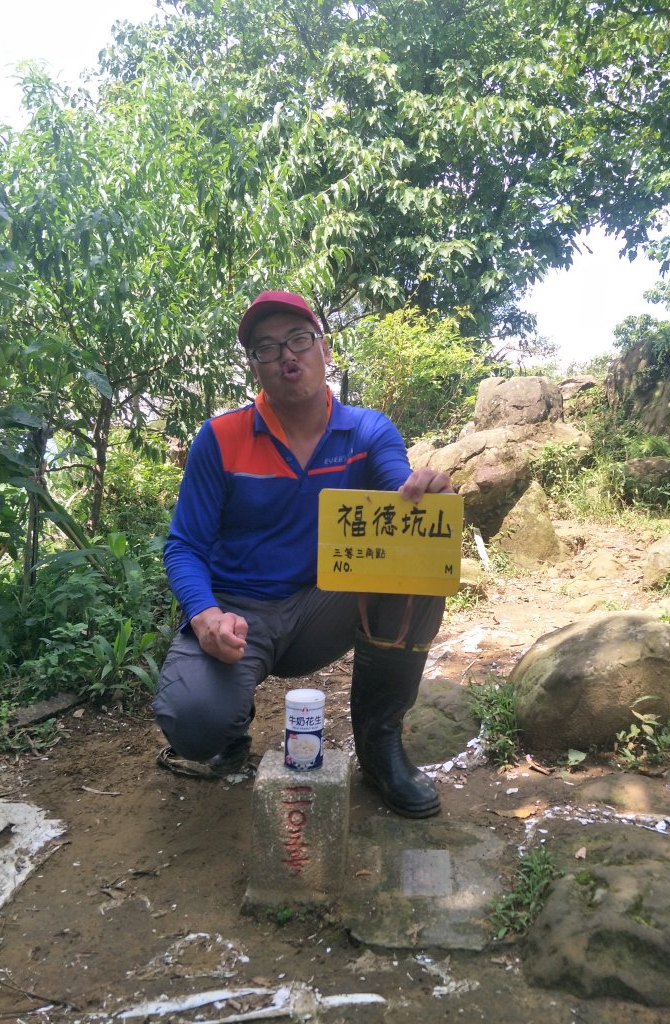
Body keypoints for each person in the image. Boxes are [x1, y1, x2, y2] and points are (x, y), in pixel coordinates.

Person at [153, 290, 454, 818]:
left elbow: (397, 487)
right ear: (255, 367)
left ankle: (380, 748)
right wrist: (204, 617)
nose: (286, 356)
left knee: (418, 568)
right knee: (195, 725)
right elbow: (184, 545)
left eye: (298, 340)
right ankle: (229, 718)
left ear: (324, 349)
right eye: (266, 349)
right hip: (237, 616)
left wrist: (423, 497)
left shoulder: (367, 430)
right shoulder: (220, 439)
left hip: (324, 606)